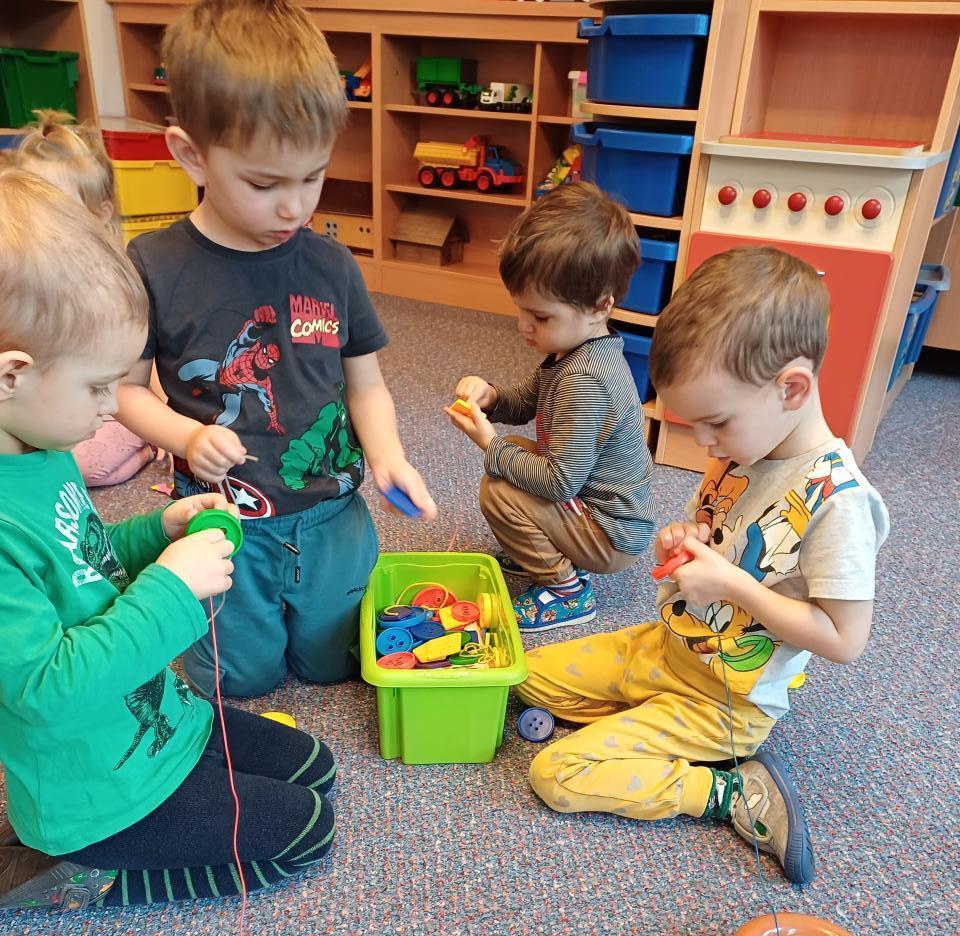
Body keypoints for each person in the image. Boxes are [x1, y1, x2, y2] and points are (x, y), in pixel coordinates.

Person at [0, 171, 337, 911]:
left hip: (156, 720)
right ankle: (86, 877)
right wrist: (173, 587)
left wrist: (157, 531)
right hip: (101, 793)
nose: (113, 409)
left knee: (314, 764)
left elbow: (83, 565)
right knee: (308, 831)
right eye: (98, 388)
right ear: (12, 376)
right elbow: (45, 690)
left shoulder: (40, 450)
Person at [515, 246, 890, 884]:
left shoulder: (840, 502)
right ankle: (642, 732)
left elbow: (844, 639)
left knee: (557, 773)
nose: (705, 444)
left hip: (725, 703)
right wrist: (683, 539)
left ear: (791, 388)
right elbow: (707, 534)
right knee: (524, 676)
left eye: (715, 422)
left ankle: (731, 792)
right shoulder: (744, 450)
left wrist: (731, 584)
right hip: (665, 648)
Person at [117, 0, 436, 698]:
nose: (295, 207)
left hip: (331, 516)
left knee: (336, 665)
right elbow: (125, 391)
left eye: (312, 176)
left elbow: (366, 383)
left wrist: (389, 457)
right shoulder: (153, 266)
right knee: (238, 683)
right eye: (265, 184)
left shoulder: (332, 265)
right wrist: (186, 436)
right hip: (224, 521)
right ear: (190, 155)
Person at [446, 182, 654, 634]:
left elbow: (560, 482)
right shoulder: (575, 352)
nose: (523, 326)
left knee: (501, 489)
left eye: (540, 317)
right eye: (522, 310)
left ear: (600, 306)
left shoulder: (585, 380)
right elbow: (527, 400)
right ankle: (545, 548)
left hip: (610, 533)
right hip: (594, 508)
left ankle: (566, 590)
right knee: (515, 455)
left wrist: (490, 444)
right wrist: (491, 395)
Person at [14, 110, 161, 488]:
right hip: (54, 400)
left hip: (107, 403)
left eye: (56, 213)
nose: (38, 225)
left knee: (85, 463)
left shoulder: (112, 286)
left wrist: (161, 422)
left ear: (98, 216)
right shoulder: (20, 280)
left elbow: (143, 368)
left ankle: (144, 446)